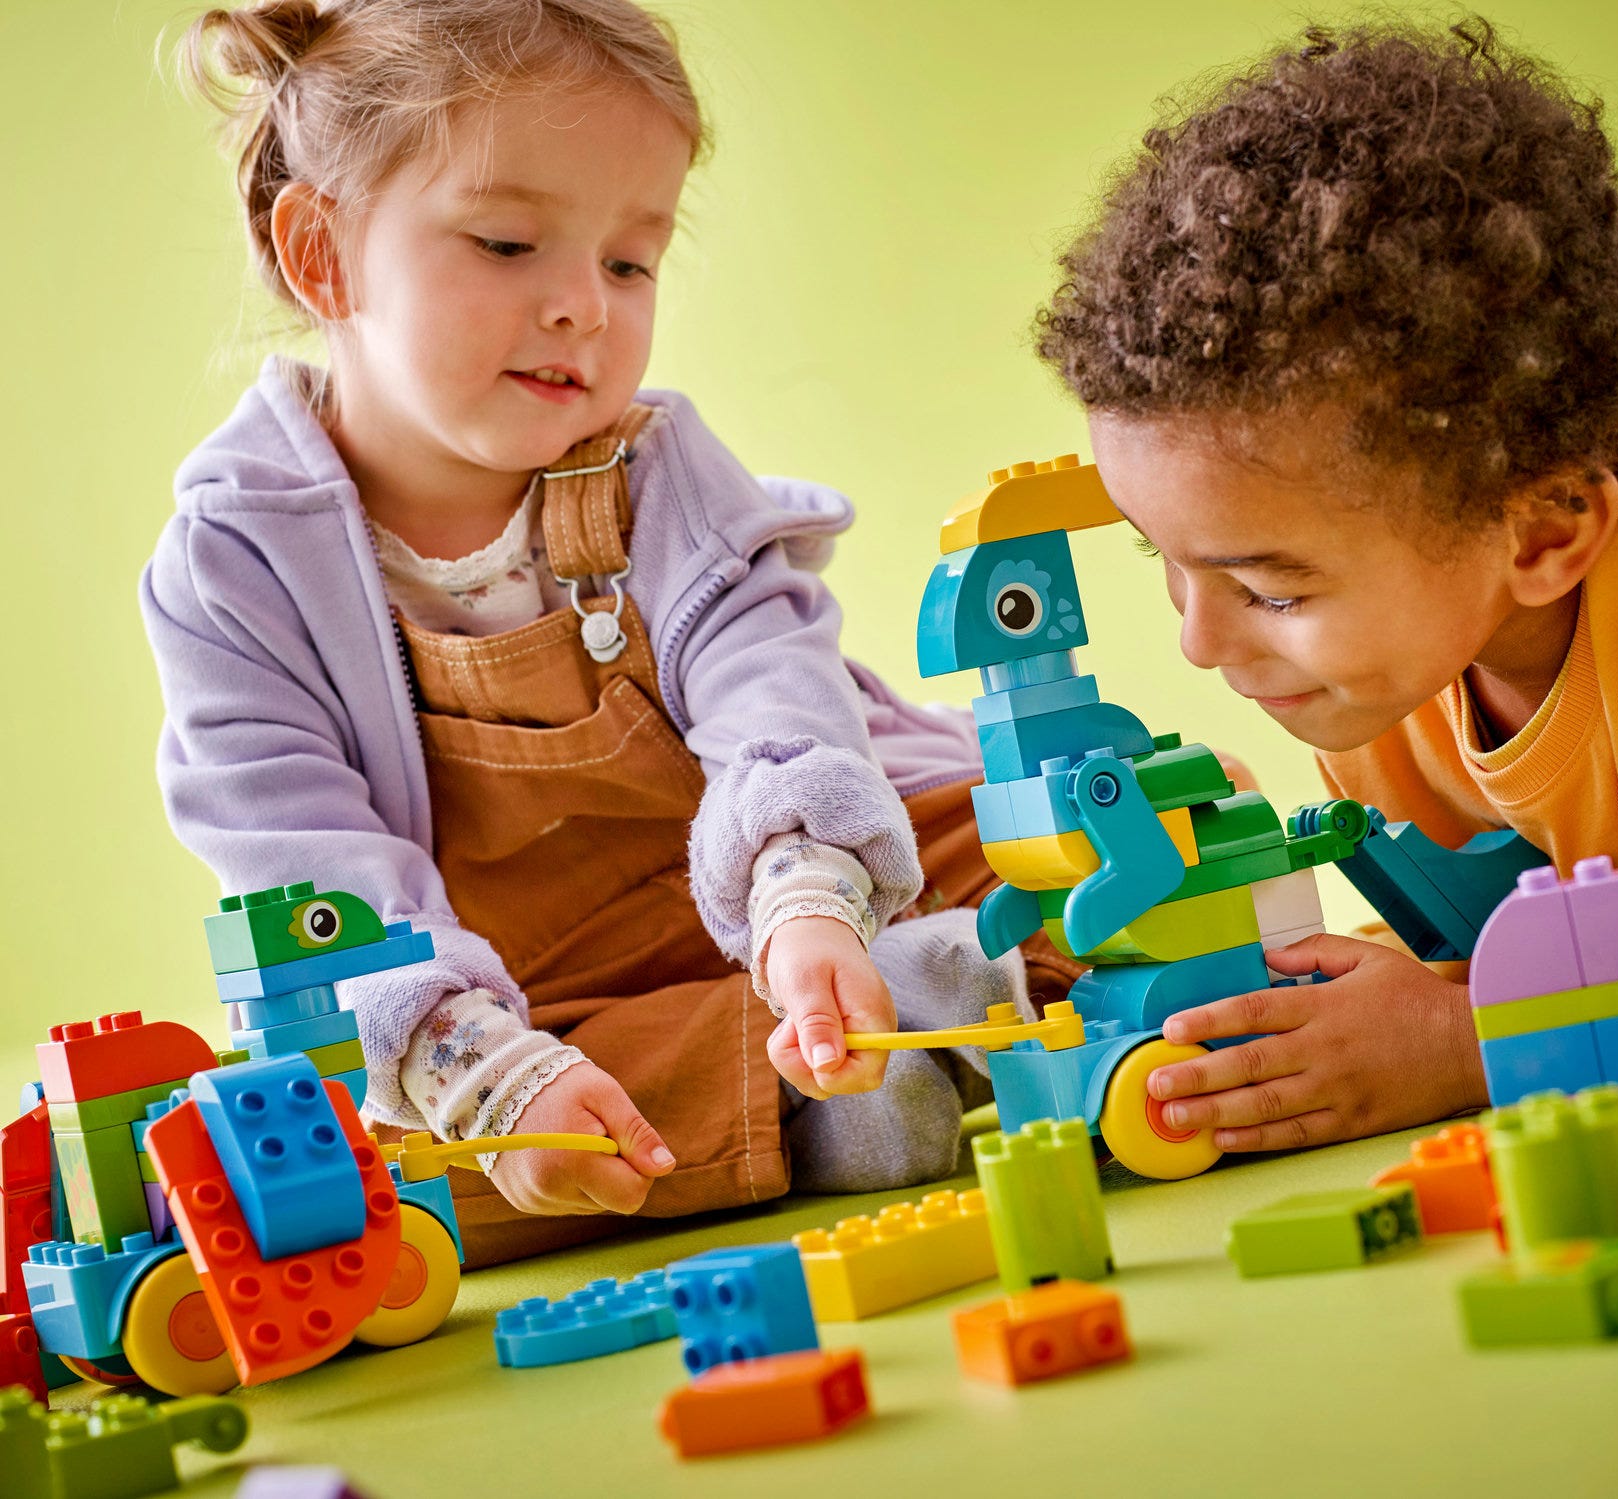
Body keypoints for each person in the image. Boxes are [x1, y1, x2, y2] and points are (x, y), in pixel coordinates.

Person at [144, 0, 1073, 1266]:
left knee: (1091, 830)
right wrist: (486, 1069)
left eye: (630, 262)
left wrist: (809, 903)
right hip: (521, 986)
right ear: (325, 257)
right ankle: (880, 1064)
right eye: (510, 242)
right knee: (396, 1172)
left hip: (757, 882)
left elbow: (771, 682)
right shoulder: (234, 564)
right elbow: (303, 863)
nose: (583, 305)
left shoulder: (657, 466)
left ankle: (869, 1009)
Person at [1032, 18, 1618, 1152]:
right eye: (1168, 563)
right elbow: (1518, 936)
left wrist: (1471, 1042)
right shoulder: (1374, 692)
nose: (1199, 642)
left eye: (1271, 590)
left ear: (1542, 528)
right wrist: (1381, 997)